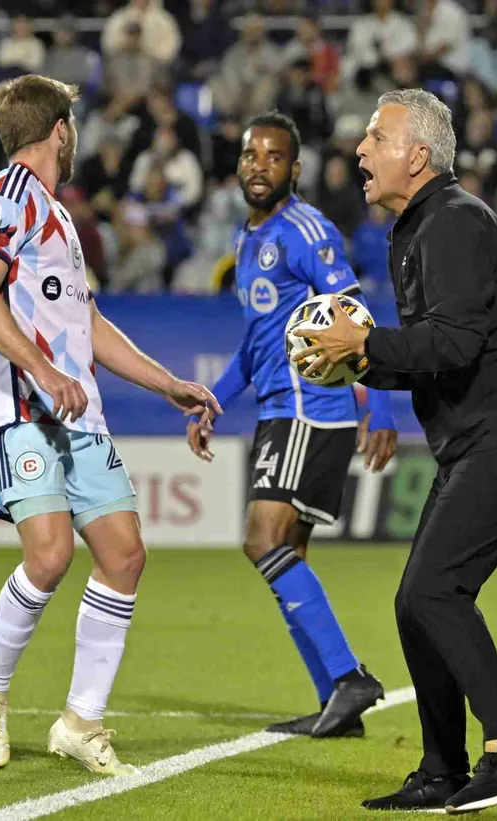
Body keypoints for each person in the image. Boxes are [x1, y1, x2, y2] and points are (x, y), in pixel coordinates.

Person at [294, 88, 497, 814]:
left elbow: (455, 341)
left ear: (417, 155)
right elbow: (432, 352)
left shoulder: (451, 224)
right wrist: (356, 362)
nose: (360, 149)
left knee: (432, 590)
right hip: (479, 441)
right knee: (417, 603)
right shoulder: (421, 224)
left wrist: (365, 346)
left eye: (376, 138)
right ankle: (442, 766)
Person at [0, 74, 220, 775]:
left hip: (75, 411)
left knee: (124, 554)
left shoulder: (57, 215)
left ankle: (81, 719)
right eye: (74, 128)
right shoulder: (5, 196)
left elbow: (89, 323)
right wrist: (43, 370)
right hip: (18, 405)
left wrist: (167, 383)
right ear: (61, 131)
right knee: (48, 555)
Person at [185, 111, 397, 738]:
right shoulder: (248, 240)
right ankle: (338, 702)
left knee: (262, 540)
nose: (259, 166)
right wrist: (212, 403)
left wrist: (378, 406)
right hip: (282, 409)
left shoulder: (307, 230)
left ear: (294, 169)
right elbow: (255, 347)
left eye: (273, 157)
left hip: (310, 408)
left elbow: (352, 317)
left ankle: (349, 676)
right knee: (288, 553)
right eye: (251, 155)